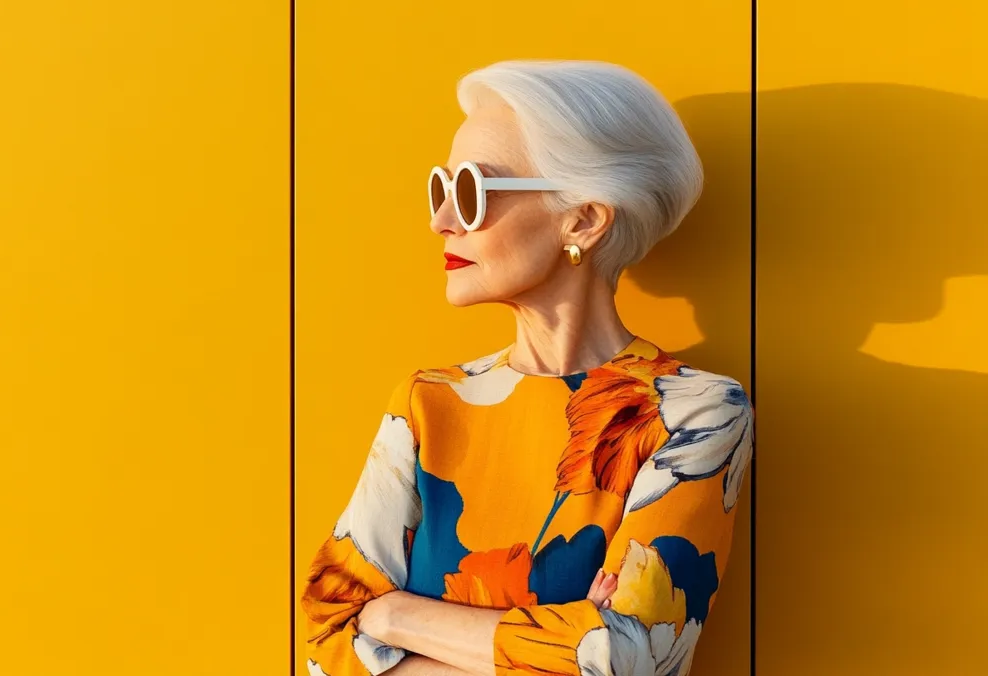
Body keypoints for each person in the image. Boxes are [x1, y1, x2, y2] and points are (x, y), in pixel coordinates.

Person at [300, 59, 755, 676]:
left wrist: (394, 618)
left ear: (584, 219)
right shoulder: (429, 404)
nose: (441, 220)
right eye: (440, 189)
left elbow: (627, 657)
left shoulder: (694, 412)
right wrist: (554, 643)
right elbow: (327, 638)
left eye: (470, 191)